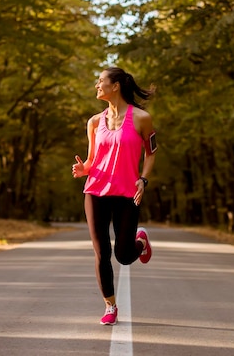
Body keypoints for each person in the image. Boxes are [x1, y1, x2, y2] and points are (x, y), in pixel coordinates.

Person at [72, 67, 157, 326]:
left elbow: (151, 152)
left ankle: (140, 242)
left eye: (101, 81)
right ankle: (110, 306)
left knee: (123, 254)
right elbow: (92, 160)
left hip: (126, 192)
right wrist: (82, 169)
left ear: (116, 85)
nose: (97, 85)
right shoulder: (94, 122)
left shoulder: (142, 118)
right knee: (102, 252)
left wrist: (143, 179)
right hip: (96, 190)